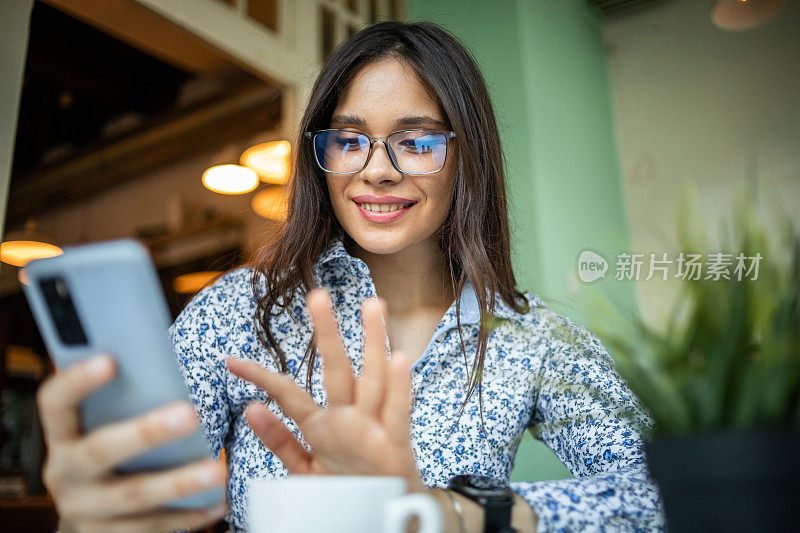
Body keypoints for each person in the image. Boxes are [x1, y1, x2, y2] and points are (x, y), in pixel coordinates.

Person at [35, 21, 666, 533]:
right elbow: (148, 503)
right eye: (349, 139)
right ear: (323, 157)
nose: (378, 171)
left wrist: (466, 512)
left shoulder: (530, 338)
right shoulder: (242, 309)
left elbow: (663, 495)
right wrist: (102, 517)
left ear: (466, 156)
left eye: (417, 142)